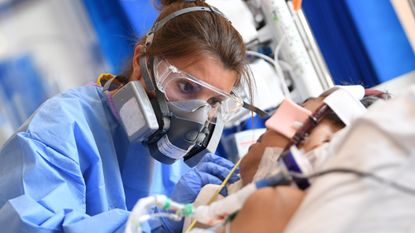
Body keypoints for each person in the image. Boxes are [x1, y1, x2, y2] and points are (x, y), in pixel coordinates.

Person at [0, 0, 263, 232]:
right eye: (186, 86)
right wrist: (159, 218)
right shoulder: (64, 126)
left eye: (214, 102)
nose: (198, 117)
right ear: (142, 60)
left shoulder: (181, 167)